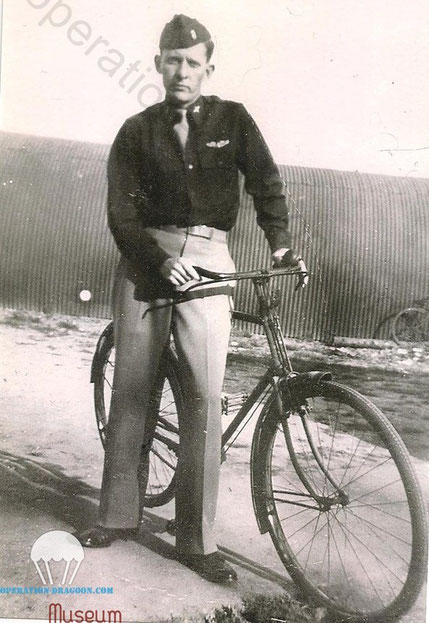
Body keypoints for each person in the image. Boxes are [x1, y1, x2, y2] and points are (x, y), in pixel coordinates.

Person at [77, 14, 304, 584]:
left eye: (193, 63)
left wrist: (279, 244)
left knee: (204, 395)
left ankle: (197, 542)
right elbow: (121, 214)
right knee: (133, 385)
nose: (182, 72)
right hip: (146, 265)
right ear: (158, 63)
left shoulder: (233, 120)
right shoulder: (137, 130)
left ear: (209, 69)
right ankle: (117, 517)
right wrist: (159, 260)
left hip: (211, 258)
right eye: (172, 60)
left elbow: (267, 183)